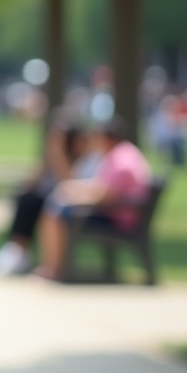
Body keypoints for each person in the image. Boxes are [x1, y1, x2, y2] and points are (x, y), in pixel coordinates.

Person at [33, 117, 152, 281]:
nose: (94, 141)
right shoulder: (121, 154)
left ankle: (52, 269)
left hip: (118, 219)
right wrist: (75, 189)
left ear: (108, 138)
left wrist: (75, 193)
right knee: (57, 206)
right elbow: (102, 188)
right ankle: (53, 268)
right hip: (117, 213)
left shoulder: (121, 160)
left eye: (97, 136)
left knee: (55, 213)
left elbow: (104, 196)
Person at [0, 118, 99, 275]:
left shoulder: (87, 159)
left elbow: (69, 185)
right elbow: (32, 183)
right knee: (27, 197)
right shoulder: (54, 155)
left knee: (41, 204)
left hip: (74, 206)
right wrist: (48, 157)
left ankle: (24, 255)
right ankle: (17, 249)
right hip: (58, 199)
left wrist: (59, 156)